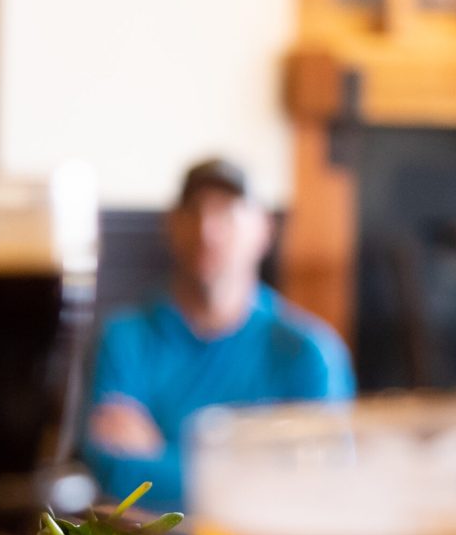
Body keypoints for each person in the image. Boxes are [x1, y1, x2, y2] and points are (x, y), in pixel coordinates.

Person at [81, 157, 355, 510]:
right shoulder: (123, 340)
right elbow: (113, 472)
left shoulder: (308, 352)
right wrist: (259, 474)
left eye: (226, 211)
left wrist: (160, 455)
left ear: (264, 229)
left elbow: (322, 487)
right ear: (172, 226)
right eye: (194, 211)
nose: (207, 229)